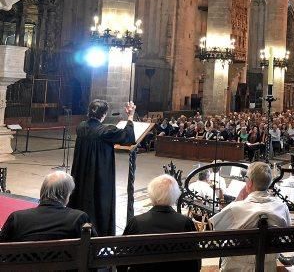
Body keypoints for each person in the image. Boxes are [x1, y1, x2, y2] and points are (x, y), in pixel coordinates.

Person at [68, 99, 136, 236]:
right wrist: (130, 116)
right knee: (98, 202)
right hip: (99, 176)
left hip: (81, 174)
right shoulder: (106, 131)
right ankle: (98, 233)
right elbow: (128, 137)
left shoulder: (81, 127)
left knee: (81, 199)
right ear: (104, 114)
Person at [210, 162, 290, 272]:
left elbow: (216, 232)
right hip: (268, 267)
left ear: (250, 183)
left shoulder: (236, 208)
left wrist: (237, 200)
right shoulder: (282, 207)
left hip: (237, 267)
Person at [120, 174, 200, 272]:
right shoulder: (185, 222)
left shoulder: (136, 222)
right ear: (175, 196)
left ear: (151, 194)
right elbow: (195, 261)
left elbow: (121, 256)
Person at [0, 171, 95, 241]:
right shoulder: (79, 218)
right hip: (65, 267)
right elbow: (96, 248)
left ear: (42, 191)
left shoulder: (17, 218)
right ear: (66, 196)